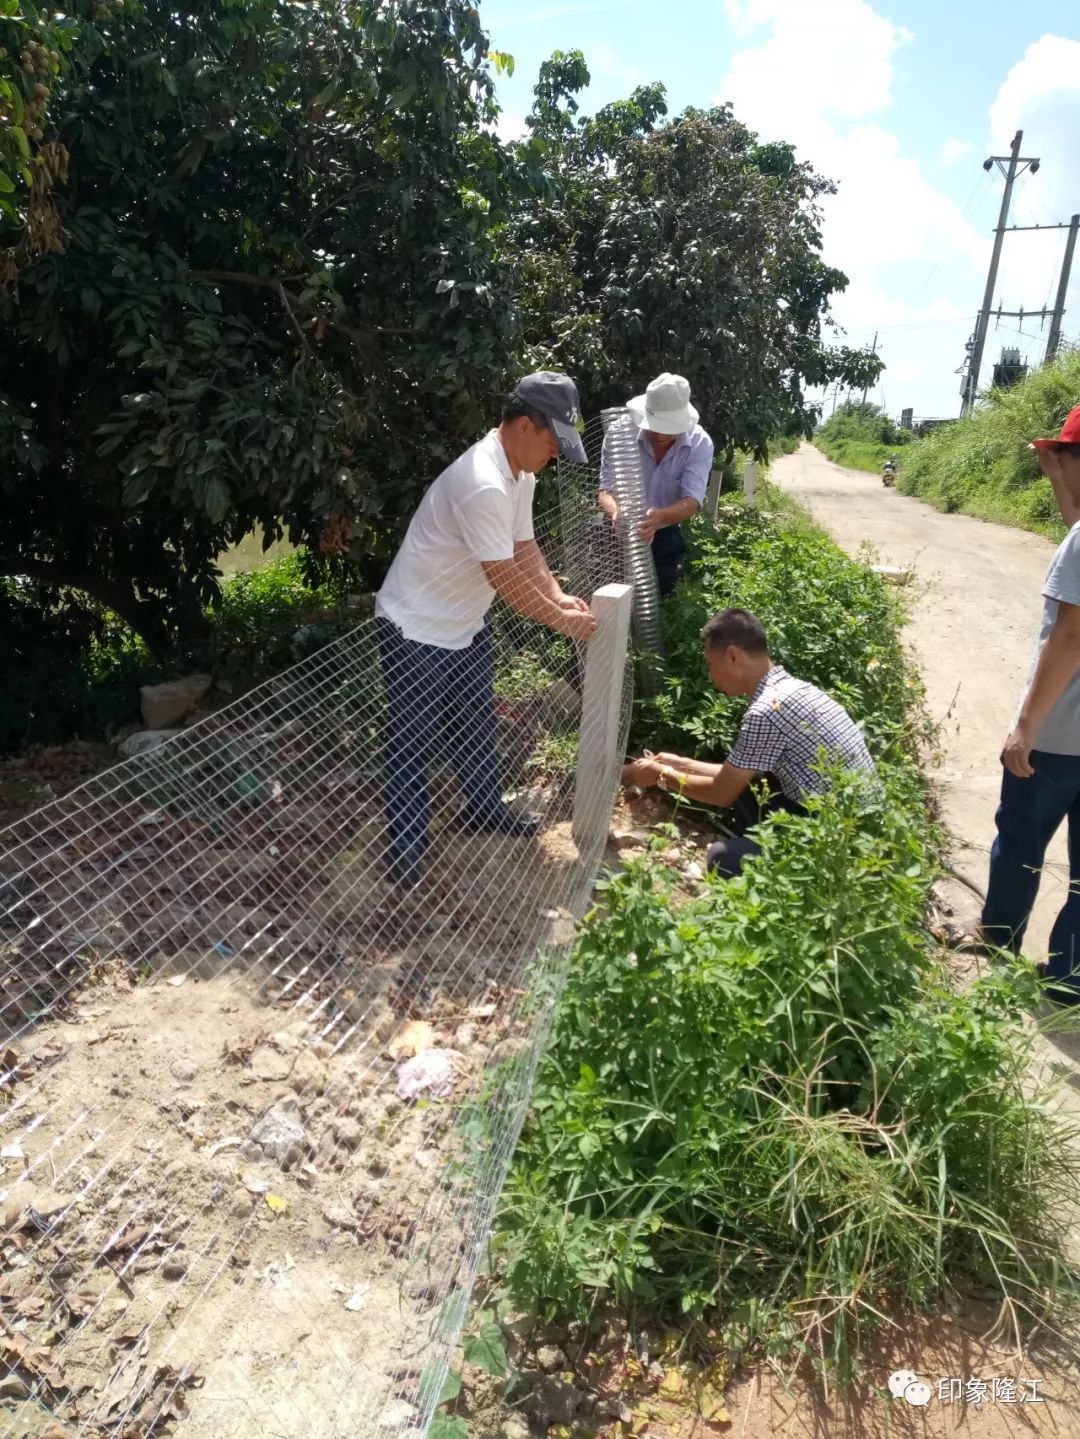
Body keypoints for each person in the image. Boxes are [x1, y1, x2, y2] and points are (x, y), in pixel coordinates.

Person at [375, 372, 597, 892]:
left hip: (464, 623)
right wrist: (561, 619)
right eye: (552, 442)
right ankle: (406, 844)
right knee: (412, 740)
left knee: (475, 723)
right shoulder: (482, 481)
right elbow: (503, 579)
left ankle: (481, 808)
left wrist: (558, 594)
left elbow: (525, 550)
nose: (556, 455)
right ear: (525, 425)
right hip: (415, 627)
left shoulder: (521, 474)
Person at [621, 609, 876, 876]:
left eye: (710, 664)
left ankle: (778, 877)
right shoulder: (793, 690)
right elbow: (736, 774)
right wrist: (676, 763)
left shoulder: (767, 710)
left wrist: (661, 776)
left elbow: (722, 792)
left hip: (843, 842)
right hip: (857, 826)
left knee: (722, 860)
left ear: (733, 656)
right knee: (752, 785)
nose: (710, 675)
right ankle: (759, 851)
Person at [979, 404, 1080, 1004]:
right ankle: (1070, 979)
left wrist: (1025, 726)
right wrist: (1057, 480)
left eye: (1063, 457)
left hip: (1060, 737)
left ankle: (997, 952)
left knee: (1019, 845)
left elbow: (1071, 635)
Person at [598, 372, 715, 595]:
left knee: (663, 597)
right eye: (654, 425)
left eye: (667, 428)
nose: (660, 434)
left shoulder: (700, 443)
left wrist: (659, 516)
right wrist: (616, 511)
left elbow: (691, 501)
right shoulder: (620, 432)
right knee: (610, 599)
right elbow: (605, 489)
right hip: (617, 532)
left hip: (664, 532)